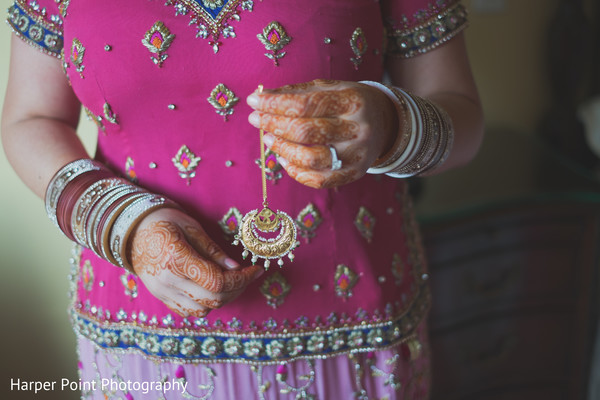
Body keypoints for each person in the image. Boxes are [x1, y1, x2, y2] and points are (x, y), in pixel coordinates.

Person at [2, 0, 483, 398]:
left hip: (351, 325)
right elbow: (31, 119)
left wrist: (394, 127)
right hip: (140, 326)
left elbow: (463, 118)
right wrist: (124, 226)